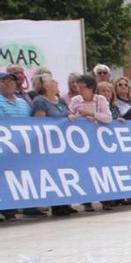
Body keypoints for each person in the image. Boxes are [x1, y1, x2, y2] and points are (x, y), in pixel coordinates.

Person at [30, 74, 78, 217]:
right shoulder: (39, 101)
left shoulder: (61, 100)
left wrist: (70, 117)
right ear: (45, 86)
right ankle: (57, 205)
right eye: (52, 81)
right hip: (50, 143)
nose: (56, 82)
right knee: (53, 172)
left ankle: (66, 203)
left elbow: (68, 114)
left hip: (65, 143)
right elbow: (40, 122)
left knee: (65, 171)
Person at [69, 74, 114, 212]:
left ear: (91, 88)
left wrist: (92, 114)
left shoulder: (100, 99)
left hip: (98, 141)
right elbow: (70, 115)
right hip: (81, 141)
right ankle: (87, 200)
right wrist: (75, 116)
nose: (80, 90)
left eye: (82, 88)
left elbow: (108, 118)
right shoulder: (75, 100)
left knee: (101, 169)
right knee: (84, 169)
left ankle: (105, 198)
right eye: (78, 87)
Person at [0, 70, 33, 221]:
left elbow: (31, 123)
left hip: (22, 148)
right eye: (4, 81)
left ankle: (15, 209)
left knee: (20, 176)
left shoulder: (22, 102)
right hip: (5, 147)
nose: (8, 84)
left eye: (11, 81)